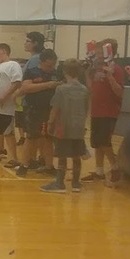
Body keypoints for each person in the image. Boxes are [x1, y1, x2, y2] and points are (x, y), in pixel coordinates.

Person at [42, 59, 89, 193]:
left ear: (64, 71)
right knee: (76, 155)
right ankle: (76, 183)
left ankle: (59, 183)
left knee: (62, 156)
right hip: (78, 127)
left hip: (63, 127)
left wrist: (50, 124)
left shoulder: (61, 89)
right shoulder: (84, 89)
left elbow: (55, 108)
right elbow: (86, 109)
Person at [82, 39, 125, 186]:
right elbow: (91, 89)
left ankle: (115, 168)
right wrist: (87, 72)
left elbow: (119, 92)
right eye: (97, 51)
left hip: (109, 111)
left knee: (105, 142)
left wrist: (110, 76)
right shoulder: (96, 69)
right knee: (97, 143)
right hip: (96, 111)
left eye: (102, 52)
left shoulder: (116, 69)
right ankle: (99, 171)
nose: (99, 54)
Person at [15, 48, 62, 176]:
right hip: (33, 109)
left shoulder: (56, 73)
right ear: (41, 62)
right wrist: (47, 85)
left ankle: (49, 165)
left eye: (53, 65)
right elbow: (26, 87)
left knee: (48, 138)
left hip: (50, 110)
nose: (51, 68)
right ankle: (24, 164)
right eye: (48, 65)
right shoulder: (32, 72)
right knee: (31, 137)